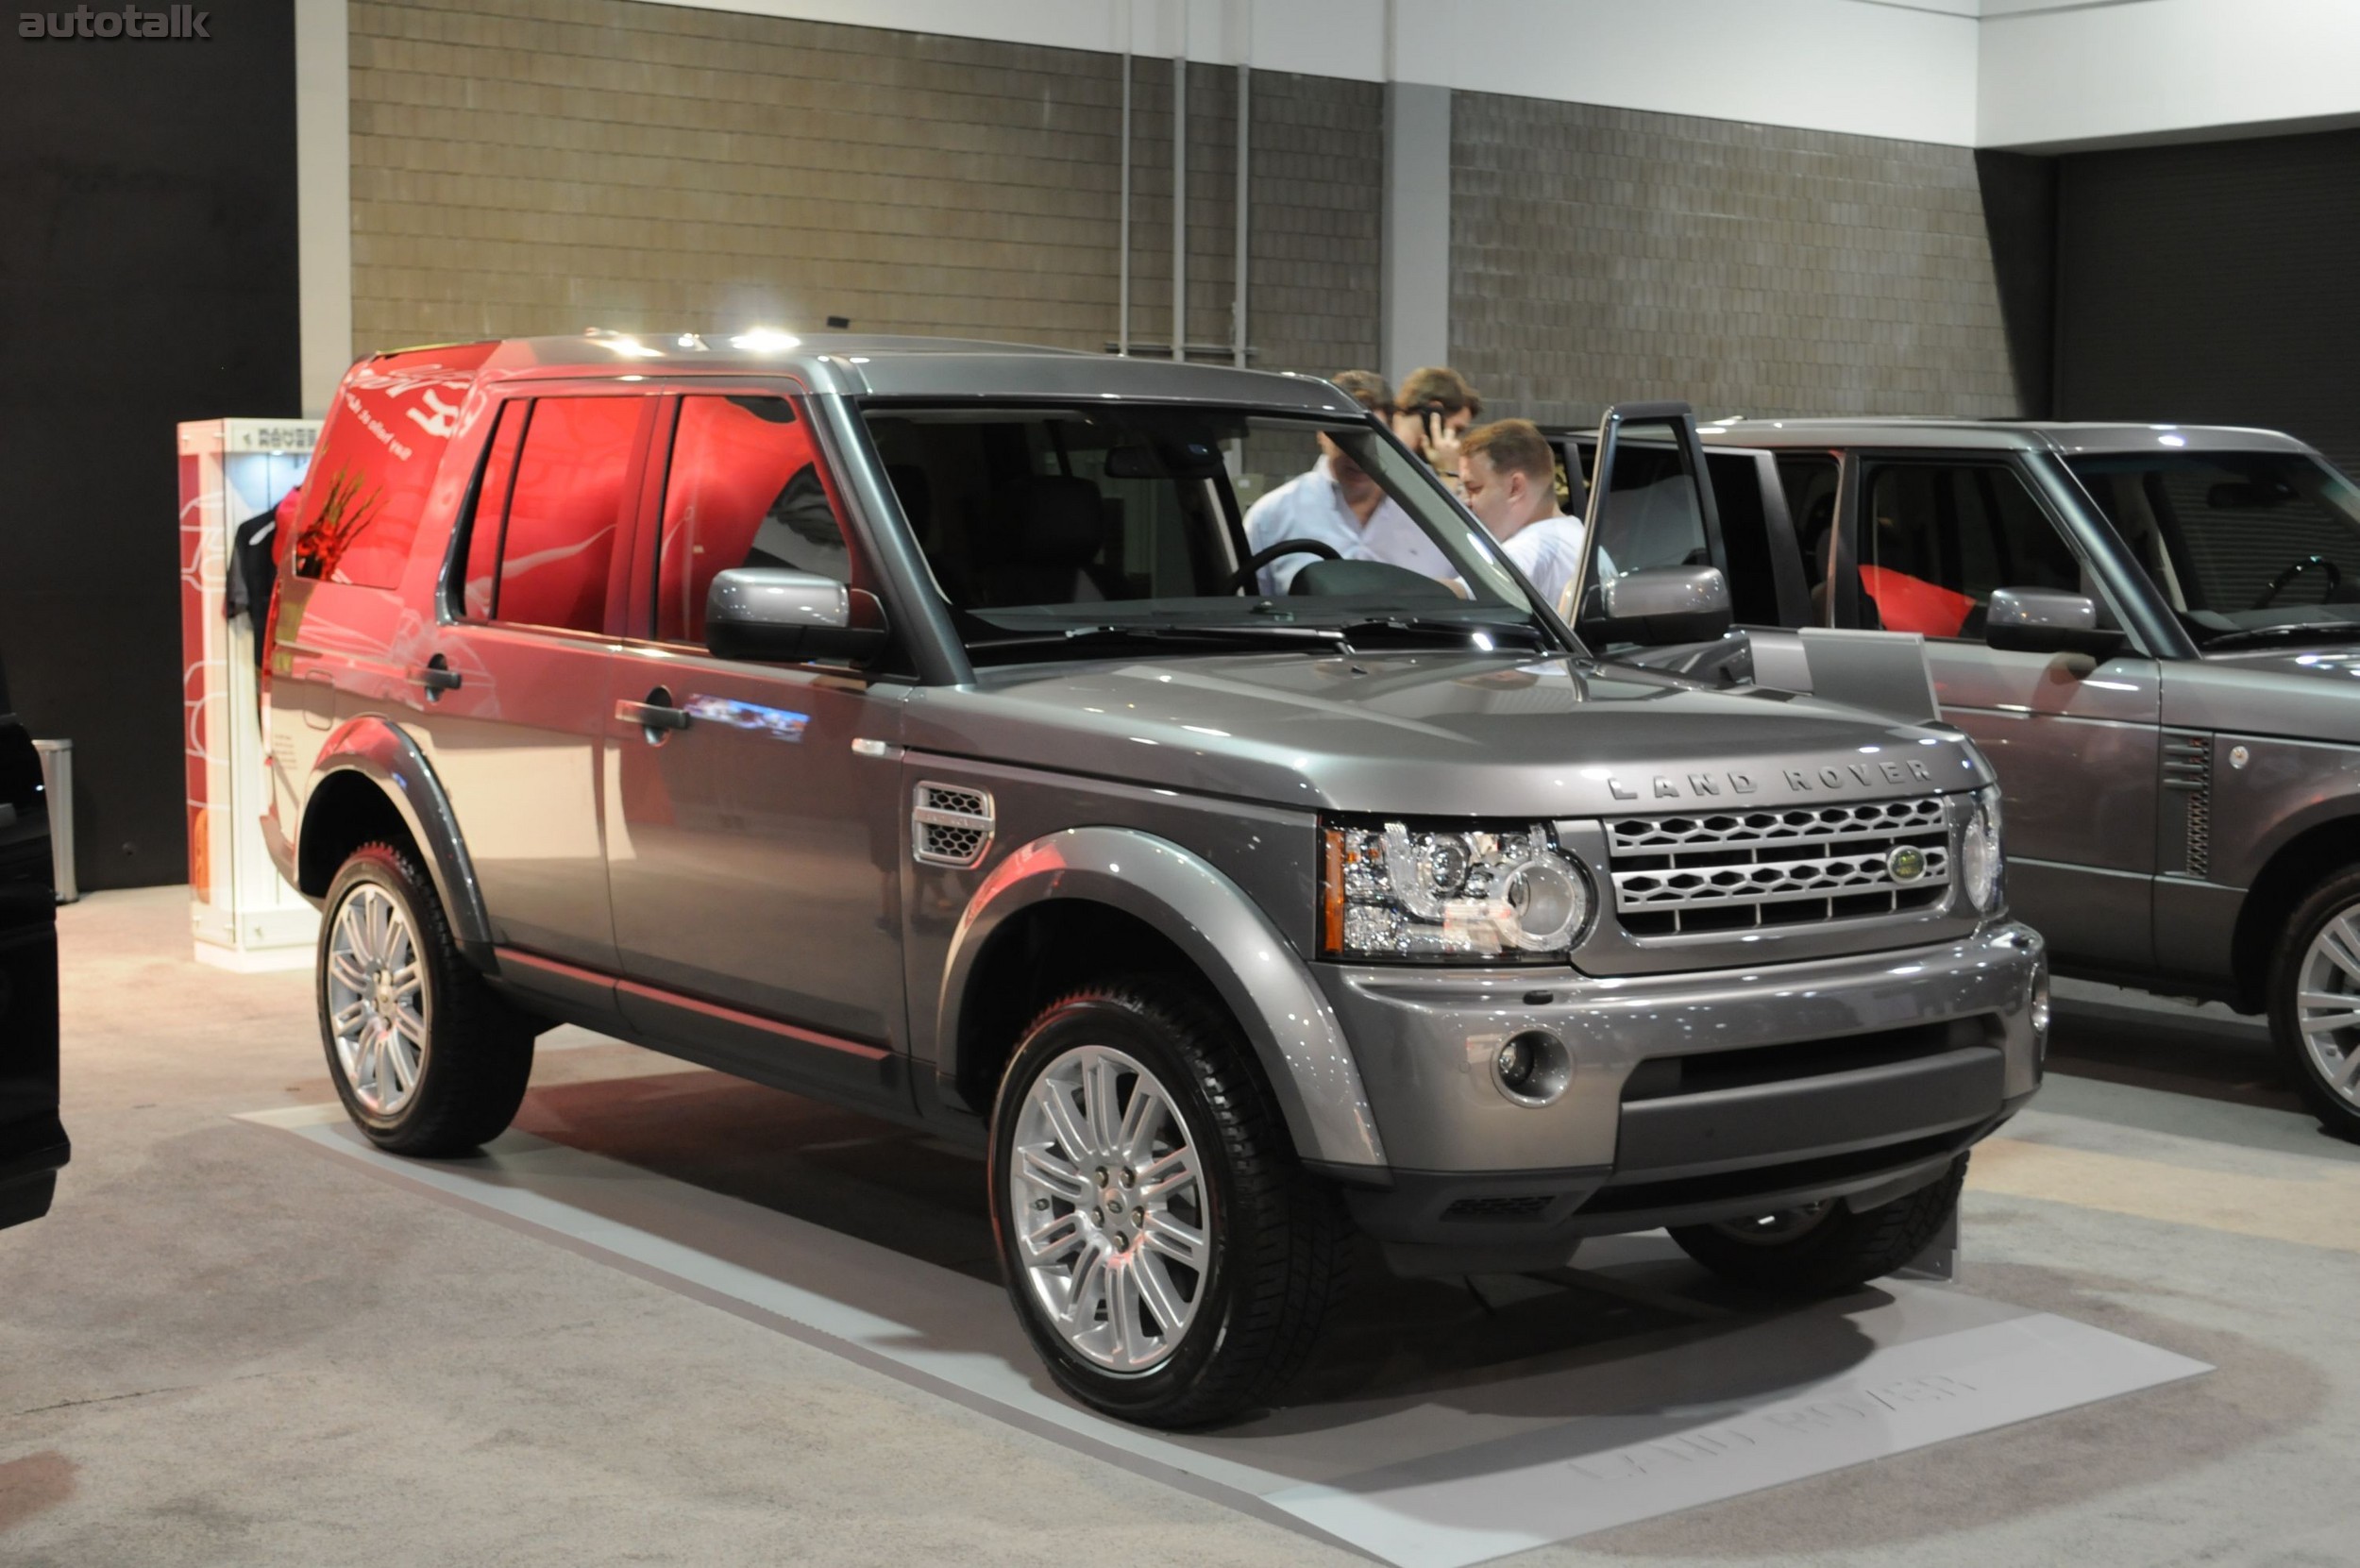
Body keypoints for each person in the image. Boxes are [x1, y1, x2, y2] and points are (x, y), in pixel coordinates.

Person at [1243, 369, 1451, 593]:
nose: (1359, 455)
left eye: (1368, 440)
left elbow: (1478, 584)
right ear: (1321, 434)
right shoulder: (1271, 517)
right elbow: (1247, 606)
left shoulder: (1433, 512)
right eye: (1345, 439)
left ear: (1390, 436)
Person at [1459, 418, 1590, 614]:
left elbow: (1455, 594)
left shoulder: (1532, 546)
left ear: (1515, 487)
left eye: (1474, 489)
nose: (1467, 502)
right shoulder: (1577, 535)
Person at [1391, 366, 1483, 496]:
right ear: (1434, 413)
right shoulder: (1380, 451)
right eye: (1457, 430)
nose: (1456, 442)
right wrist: (1450, 472)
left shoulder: (1422, 465)